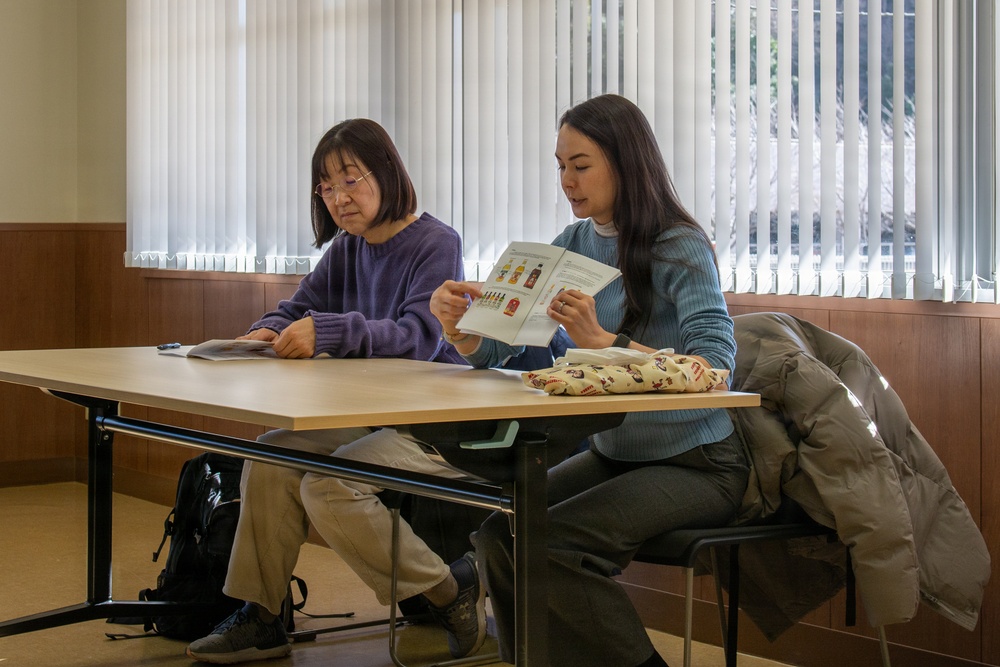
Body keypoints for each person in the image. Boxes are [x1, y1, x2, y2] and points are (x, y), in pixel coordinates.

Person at [429, 94, 750, 667]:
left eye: (581, 165)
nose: (567, 181)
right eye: (561, 166)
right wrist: (464, 329)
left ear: (625, 163)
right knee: (500, 537)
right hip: (616, 452)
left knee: (552, 545)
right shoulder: (571, 245)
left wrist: (607, 343)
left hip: (698, 461)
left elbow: (715, 364)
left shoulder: (678, 244)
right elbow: (505, 349)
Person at [186, 118, 487, 664]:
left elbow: (419, 338)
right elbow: (298, 306)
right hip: (371, 413)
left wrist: (328, 330)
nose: (338, 198)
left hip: (431, 421)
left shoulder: (436, 242)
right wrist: (265, 330)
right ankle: (263, 614)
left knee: (327, 487)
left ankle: (448, 592)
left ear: (387, 172)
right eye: (326, 187)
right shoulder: (348, 248)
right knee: (271, 455)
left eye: (350, 180)